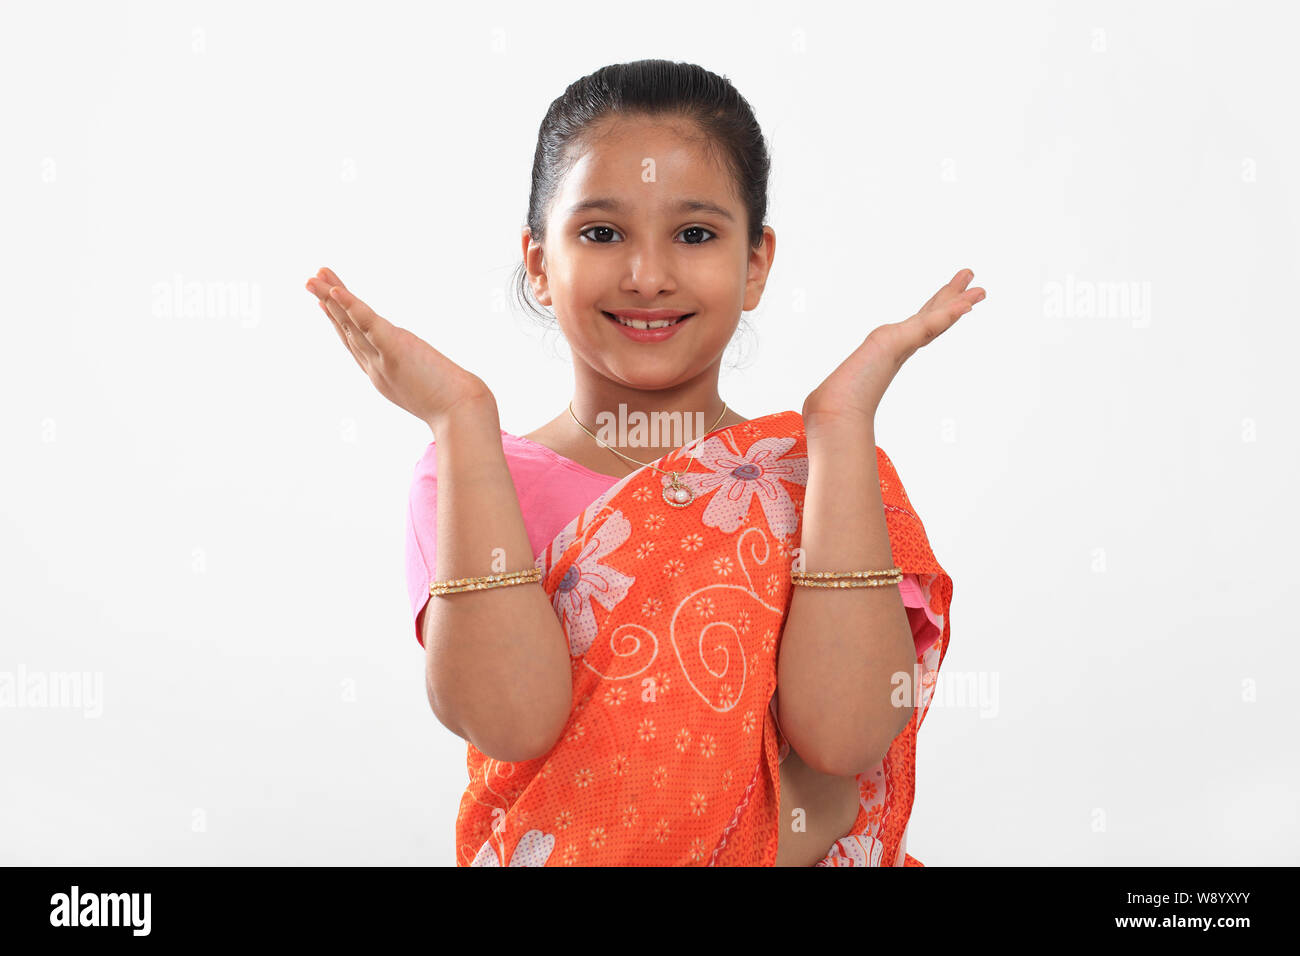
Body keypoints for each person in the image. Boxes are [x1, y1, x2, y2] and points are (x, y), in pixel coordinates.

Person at [304, 59, 985, 866]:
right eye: (601, 233)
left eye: (695, 234)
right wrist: (461, 419)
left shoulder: (826, 477)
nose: (649, 276)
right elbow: (514, 723)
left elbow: (844, 741)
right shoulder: (475, 475)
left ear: (757, 262)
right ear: (537, 264)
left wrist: (839, 427)